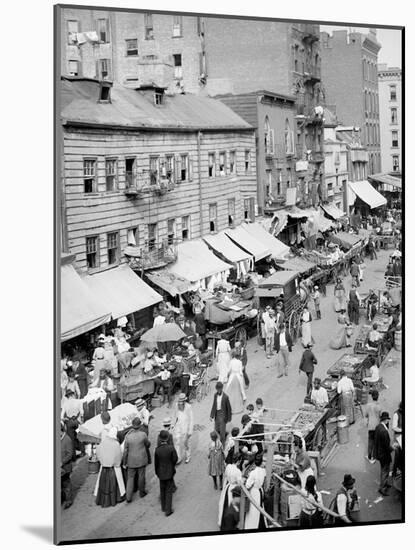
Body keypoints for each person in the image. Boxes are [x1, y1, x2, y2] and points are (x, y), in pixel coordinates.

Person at [94, 427, 126, 507]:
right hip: (113, 469)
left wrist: (103, 461)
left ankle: (103, 500)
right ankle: (115, 499)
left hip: (104, 467)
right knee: (115, 484)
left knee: (103, 485)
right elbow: (119, 456)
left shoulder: (103, 442)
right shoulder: (116, 444)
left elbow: (98, 452)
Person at [122, 417, 151, 502]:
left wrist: (124, 461)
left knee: (130, 478)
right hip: (141, 458)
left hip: (131, 460)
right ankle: (142, 492)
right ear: (139, 425)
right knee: (141, 476)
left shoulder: (128, 437)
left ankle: (128, 497)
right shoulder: (143, 434)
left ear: (132, 425)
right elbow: (148, 444)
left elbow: (125, 450)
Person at [154, 430, 178, 517]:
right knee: (168, 491)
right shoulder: (171, 448)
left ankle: (163, 507)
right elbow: (175, 459)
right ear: (168, 438)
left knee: (162, 490)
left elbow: (156, 463)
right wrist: (172, 466)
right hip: (169, 472)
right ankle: (168, 510)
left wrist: (157, 473)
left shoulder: (157, 450)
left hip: (160, 473)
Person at [218, 458, 243, 528]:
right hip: (234, 487)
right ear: (238, 461)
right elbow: (240, 482)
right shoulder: (238, 471)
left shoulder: (228, 466)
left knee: (224, 503)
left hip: (228, 486)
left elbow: (226, 475)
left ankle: (223, 519)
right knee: (231, 504)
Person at [244, 454, 267, 529]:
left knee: (253, 509)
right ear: (261, 462)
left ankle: (251, 525)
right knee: (260, 507)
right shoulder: (264, 471)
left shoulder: (253, 473)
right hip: (260, 490)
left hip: (254, 491)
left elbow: (247, 485)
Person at [374, 412, 393, 496]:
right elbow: (386, 446)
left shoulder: (378, 427)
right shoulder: (384, 431)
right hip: (384, 455)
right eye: (388, 420)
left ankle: (385, 483)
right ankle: (382, 488)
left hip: (379, 453)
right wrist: (393, 448)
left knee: (384, 469)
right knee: (385, 471)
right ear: (386, 420)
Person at [61, 390, 84, 460]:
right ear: (72, 395)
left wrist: (65, 419)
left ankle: (73, 456)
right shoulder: (78, 401)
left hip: (69, 423)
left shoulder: (65, 403)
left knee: (71, 439)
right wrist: (82, 421)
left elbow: (61, 416)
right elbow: (82, 412)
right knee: (80, 436)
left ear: (68, 396)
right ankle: (82, 451)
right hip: (77, 422)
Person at [172, 393, 193, 464]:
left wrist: (190, 431)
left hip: (185, 427)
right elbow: (174, 416)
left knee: (186, 443)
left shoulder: (188, 407)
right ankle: (178, 457)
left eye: (181, 403)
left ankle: (188, 456)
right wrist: (172, 425)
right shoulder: (176, 405)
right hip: (178, 426)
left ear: (184, 402)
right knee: (176, 442)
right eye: (179, 403)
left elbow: (191, 419)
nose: (180, 404)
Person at [210, 382, 232, 446]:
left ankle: (223, 446)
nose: (218, 390)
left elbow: (229, 408)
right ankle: (219, 441)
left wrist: (229, 418)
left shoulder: (225, 397)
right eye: (217, 389)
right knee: (216, 430)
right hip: (217, 414)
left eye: (219, 389)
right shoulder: (215, 395)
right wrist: (211, 415)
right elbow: (214, 405)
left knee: (222, 432)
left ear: (222, 388)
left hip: (223, 415)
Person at [225, 350, 247, 416]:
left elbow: (229, 370)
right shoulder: (240, 362)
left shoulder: (231, 362)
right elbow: (240, 371)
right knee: (240, 391)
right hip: (238, 376)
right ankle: (239, 406)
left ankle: (229, 408)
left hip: (232, 376)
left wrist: (227, 375)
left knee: (229, 391)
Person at [363, 390, 381, 464]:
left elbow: (366, 415)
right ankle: (375, 456)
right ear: (378, 396)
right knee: (376, 441)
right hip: (377, 425)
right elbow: (380, 416)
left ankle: (370, 457)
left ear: (371, 396)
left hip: (371, 425)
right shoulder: (379, 406)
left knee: (370, 442)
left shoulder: (368, 405)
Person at [61, 421, 74, 509]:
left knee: (66, 484)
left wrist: (62, 462)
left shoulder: (67, 440)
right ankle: (62, 498)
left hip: (65, 467)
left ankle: (68, 500)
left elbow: (70, 454)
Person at [392, 402, 402, 478]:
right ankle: (395, 472)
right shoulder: (396, 414)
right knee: (397, 456)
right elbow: (394, 427)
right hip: (398, 437)